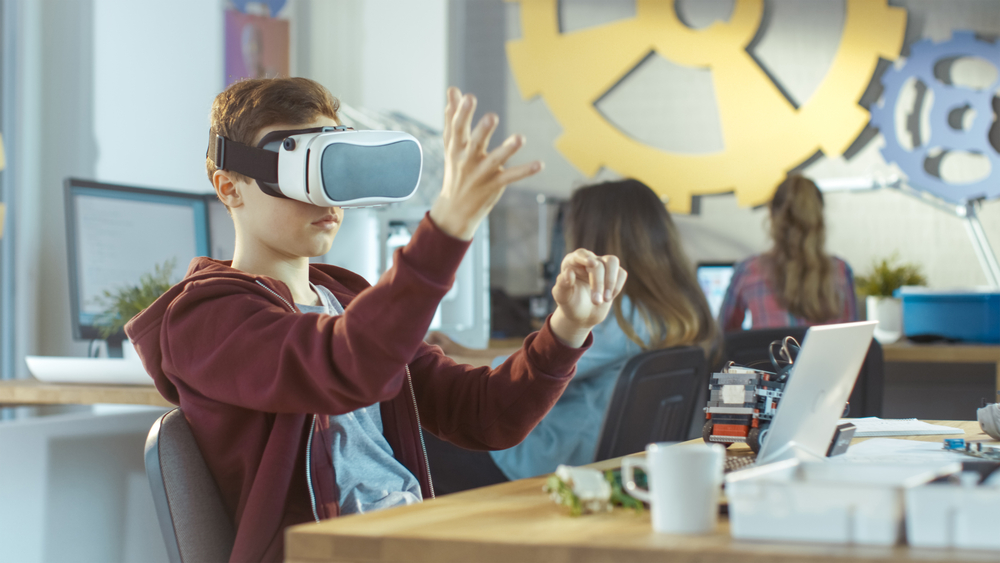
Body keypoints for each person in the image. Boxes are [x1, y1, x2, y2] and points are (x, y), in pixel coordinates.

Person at [124, 77, 628, 563]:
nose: (324, 197)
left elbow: (483, 415)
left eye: (333, 168)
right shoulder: (205, 318)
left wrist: (568, 329)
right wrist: (448, 226)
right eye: (299, 172)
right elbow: (343, 365)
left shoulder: (347, 299)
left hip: (406, 535)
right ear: (230, 188)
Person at [427, 179, 720, 486]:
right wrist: (463, 352)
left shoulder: (619, 314)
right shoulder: (676, 310)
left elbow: (534, 367)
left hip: (550, 456)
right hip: (608, 455)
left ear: (593, 238)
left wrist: (435, 357)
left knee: (424, 424)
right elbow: (547, 353)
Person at [720, 174, 858, 331]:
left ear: (772, 215)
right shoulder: (840, 271)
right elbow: (854, 338)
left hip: (771, 348)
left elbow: (723, 337)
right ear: (819, 216)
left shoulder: (748, 271)